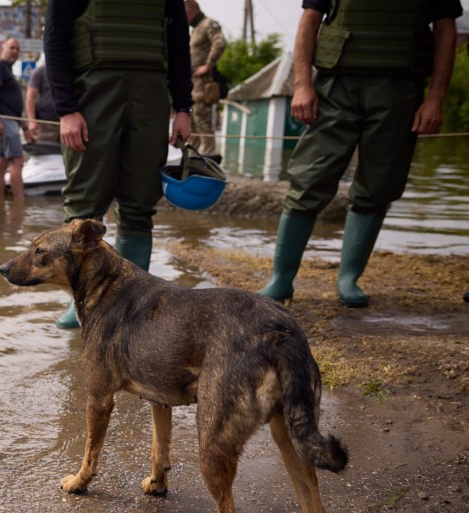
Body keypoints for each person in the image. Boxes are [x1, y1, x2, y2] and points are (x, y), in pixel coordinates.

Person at [260, 0, 461, 308]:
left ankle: (348, 279)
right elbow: (309, 21)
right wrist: (302, 85)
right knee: (309, 178)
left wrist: (436, 98)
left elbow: (446, 31)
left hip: (400, 89)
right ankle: (281, 280)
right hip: (335, 86)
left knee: (378, 186)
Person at [44, 0, 193, 328]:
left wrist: (184, 107)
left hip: (151, 96)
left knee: (140, 202)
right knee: (84, 204)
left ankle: (131, 305)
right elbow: (54, 39)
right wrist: (66, 109)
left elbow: (180, 45)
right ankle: (81, 303)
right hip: (92, 95)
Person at [0, 37, 28, 201]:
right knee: (17, 160)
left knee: (1, 163)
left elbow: (11, 102)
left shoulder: (7, 70)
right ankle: (20, 203)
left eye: (17, 49)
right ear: (3, 48)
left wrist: (24, 125)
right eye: (12, 48)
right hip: (4, 121)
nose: (15, 52)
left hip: (9, 121)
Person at [186, 0, 227, 157]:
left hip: (204, 85)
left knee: (203, 123)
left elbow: (220, 43)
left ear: (190, 11)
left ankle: (209, 159)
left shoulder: (208, 24)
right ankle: (192, 158)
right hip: (194, 86)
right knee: (193, 123)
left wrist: (208, 65)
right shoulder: (196, 29)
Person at [25, 64, 60, 145]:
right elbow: (30, 96)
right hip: (45, 125)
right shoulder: (40, 71)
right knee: (44, 153)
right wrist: (31, 121)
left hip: (67, 122)